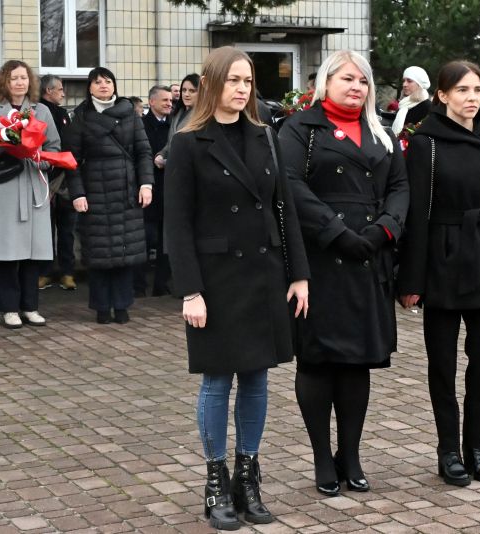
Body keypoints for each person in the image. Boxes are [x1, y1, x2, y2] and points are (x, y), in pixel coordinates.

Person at [164, 46, 310, 530]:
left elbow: (284, 208)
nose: (242, 89)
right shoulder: (188, 142)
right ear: (211, 84)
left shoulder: (265, 136)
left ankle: (248, 478)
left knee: (257, 378)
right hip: (215, 280)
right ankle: (216, 482)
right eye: (233, 80)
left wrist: (299, 274)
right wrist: (190, 291)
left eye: (248, 81)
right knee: (217, 380)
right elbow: (177, 224)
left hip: (264, 274)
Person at [278, 50, 409, 497]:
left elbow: (400, 186)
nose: (356, 87)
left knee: (356, 363)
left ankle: (349, 455)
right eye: (347, 78)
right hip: (320, 259)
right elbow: (290, 186)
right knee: (317, 362)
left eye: (363, 80)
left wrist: (384, 229)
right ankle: (322, 458)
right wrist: (336, 232)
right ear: (326, 82)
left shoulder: (382, 131)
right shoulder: (300, 128)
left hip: (369, 257)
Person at [397, 60, 480, 487]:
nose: (472, 98)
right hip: (442, 259)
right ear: (443, 95)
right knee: (443, 365)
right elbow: (416, 215)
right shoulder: (426, 142)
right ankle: (449, 450)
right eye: (462, 90)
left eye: (477, 90)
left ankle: (478, 449)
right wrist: (411, 280)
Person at [63, 67, 154, 324]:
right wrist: (77, 193)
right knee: (99, 253)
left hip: (126, 190)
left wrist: (146, 184)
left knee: (125, 252)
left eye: (108, 81)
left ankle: (122, 306)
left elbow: (143, 152)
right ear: (89, 87)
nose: (103, 85)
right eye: (97, 82)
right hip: (94, 191)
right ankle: (102, 307)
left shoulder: (129, 113)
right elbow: (72, 161)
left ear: (114, 85)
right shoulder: (81, 117)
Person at [0, 60, 61, 329]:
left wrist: (40, 158)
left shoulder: (41, 110)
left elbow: (54, 147)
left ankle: (30, 306)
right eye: (14, 78)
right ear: (5, 82)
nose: (20, 82)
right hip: (6, 189)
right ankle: (9, 308)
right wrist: (0, 144)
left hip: (34, 185)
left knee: (33, 252)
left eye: (24, 77)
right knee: (8, 251)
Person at [38, 74, 77, 291]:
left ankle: (67, 272)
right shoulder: (37, 112)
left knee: (67, 230)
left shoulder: (63, 115)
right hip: (44, 178)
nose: (63, 93)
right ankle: (44, 272)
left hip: (64, 179)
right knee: (44, 231)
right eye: (60, 89)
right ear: (48, 91)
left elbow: (68, 145)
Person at [135, 85, 173, 297]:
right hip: (147, 191)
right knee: (145, 239)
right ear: (151, 102)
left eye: (170, 100)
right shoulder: (140, 125)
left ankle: (161, 285)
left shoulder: (173, 125)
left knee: (165, 243)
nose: (169, 103)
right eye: (164, 100)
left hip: (168, 189)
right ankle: (138, 286)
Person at [155, 73, 200, 169]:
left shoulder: (202, 116)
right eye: (184, 90)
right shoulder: (177, 113)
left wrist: (170, 161)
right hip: (173, 169)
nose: (186, 94)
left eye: (192, 91)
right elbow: (170, 142)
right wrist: (161, 154)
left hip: (189, 170)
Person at [391, 66, 432, 135]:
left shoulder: (428, 107)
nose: (404, 84)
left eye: (409, 81)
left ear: (419, 84)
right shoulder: (404, 105)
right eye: (404, 81)